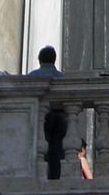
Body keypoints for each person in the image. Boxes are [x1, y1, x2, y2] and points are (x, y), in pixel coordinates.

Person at [27, 46, 68, 179]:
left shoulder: (32, 76)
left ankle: (41, 174)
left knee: (40, 147)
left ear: (39, 60)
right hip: (60, 116)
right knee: (57, 148)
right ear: (54, 59)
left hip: (42, 116)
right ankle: (55, 176)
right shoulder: (62, 77)